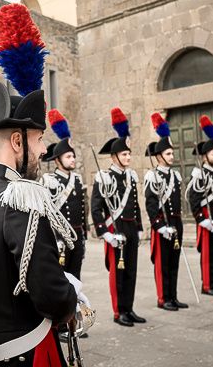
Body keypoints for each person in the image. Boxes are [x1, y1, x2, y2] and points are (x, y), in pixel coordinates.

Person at [0, 3, 86, 366]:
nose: (43, 149)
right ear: (17, 142)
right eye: (39, 139)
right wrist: (73, 296)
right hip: (26, 351)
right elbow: (50, 297)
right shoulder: (22, 200)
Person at [91, 107, 146, 327]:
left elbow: (135, 203)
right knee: (118, 273)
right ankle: (118, 311)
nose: (128, 157)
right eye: (124, 154)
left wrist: (140, 227)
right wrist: (105, 233)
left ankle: (129, 308)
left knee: (131, 271)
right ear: (114, 157)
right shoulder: (104, 177)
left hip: (131, 227)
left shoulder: (131, 176)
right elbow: (96, 208)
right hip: (115, 229)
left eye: (129, 154)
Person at [144, 112, 188, 311]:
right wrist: (160, 226)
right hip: (162, 226)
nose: (172, 156)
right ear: (159, 156)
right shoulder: (152, 176)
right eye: (168, 153)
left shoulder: (176, 175)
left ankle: (173, 296)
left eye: (172, 153)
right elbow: (151, 204)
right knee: (163, 265)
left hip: (176, 223)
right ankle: (163, 298)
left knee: (174, 262)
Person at [41, 109, 87, 280]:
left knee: (76, 277)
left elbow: (83, 209)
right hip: (59, 238)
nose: (73, 159)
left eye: (73, 156)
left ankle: (74, 306)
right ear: (57, 160)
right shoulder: (49, 180)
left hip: (77, 236)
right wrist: (52, 240)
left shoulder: (77, 179)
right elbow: (45, 214)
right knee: (60, 279)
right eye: (68, 156)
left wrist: (83, 237)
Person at [186, 115, 213, 296]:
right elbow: (194, 200)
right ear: (204, 157)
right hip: (207, 219)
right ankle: (207, 286)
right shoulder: (199, 176)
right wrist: (202, 220)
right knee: (208, 253)